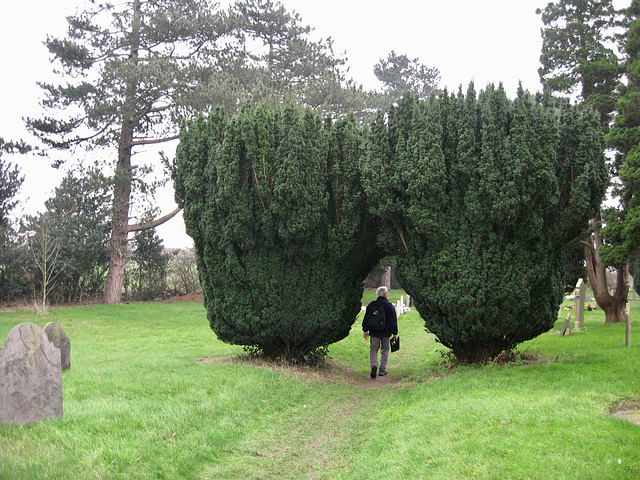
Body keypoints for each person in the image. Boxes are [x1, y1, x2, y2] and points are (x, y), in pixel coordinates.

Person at [362, 286, 398, 378]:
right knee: (385, 350)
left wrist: (365, 330)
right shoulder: (389, 306)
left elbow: (366, 318)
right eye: (387, 293)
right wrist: (395, 333)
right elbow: (393, 320)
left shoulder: (372, 305)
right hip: (386, 333)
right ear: (385, 294)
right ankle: (382, 370)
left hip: (374, 332)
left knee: (373, 349)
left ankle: (374, 364)